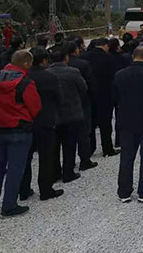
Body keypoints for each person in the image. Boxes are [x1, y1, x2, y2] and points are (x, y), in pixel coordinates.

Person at [0, 50, 41, 217]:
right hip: (19, 128)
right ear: (25, 64)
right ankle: (9, 205)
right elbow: (35, 107)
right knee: (16, 167)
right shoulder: (25, 82)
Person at [113, 46, 143, 203]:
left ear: (133, 56)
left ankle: (124, 191)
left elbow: (115, 97)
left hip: (126, 120)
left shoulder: (120, 75)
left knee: (126, 157)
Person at [19, 47, 64, 202]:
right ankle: (45, 189)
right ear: (44, 60)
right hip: (46, 120)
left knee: (26, 156)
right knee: (46, 156)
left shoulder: (23, 76)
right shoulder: (49, 76)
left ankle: (23, 190)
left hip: (26, 121)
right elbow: (59, 97)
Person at [46, 47, 87, 183]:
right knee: (69, 145)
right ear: (66, 58)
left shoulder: (47, 73)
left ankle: (55, 172)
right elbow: (83, 88)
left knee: (55, 146)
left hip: (54, 114)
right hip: (72, 112)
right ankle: (68, 172)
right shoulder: (73, 72)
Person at [82, 38, 119, 157]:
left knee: (90, 123)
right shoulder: (109, 58)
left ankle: (90, 148)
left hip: (89, 94)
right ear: (106, 46)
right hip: (105, 93)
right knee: (105, 123)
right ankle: (107, 148)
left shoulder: (85, 57)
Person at [66, 41, 98, 171]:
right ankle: (85, 158)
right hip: (82, 101)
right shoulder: (83, 64)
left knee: (68, 136)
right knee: (84, 132)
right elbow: (89, 84)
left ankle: (68, 163)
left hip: (64, 104)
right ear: (76, 50)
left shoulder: (56, 66)